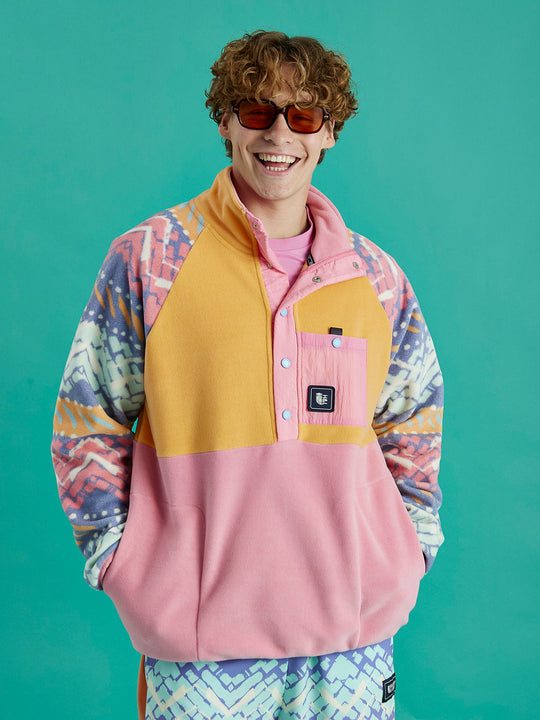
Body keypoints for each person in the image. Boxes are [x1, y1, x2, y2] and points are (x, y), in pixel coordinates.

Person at [52, 30, 443, 720]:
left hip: (353, 635)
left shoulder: (377, 278)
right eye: (257, 110)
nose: (279, 134)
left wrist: (409, 547)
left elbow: (414, 420)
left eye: (303, 114)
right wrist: (118, 558)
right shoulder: (151, 260)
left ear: (330, 133)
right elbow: (88, 414)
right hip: (199, 640)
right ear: (226, 122)